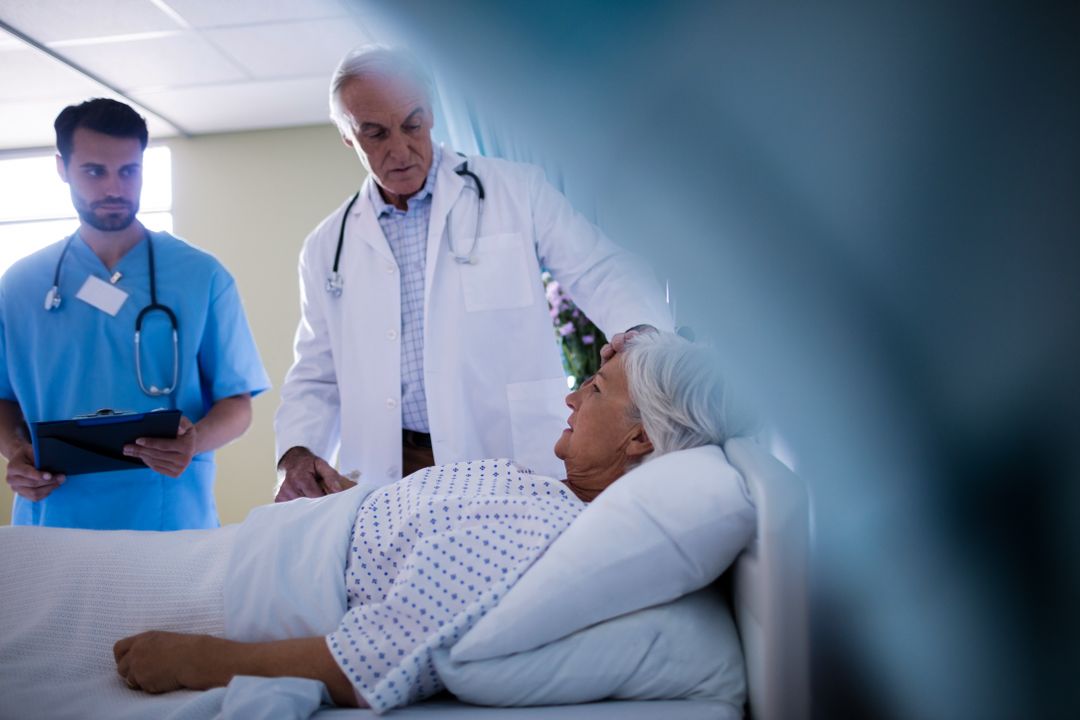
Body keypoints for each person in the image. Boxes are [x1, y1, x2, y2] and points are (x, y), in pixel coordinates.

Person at [114, 332, 739, 711]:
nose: (573, 396)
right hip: (259, 546)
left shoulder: (539, 537)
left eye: (597, 389)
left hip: (219, 585)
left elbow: (370, 663)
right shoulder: (550, 498)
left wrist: (194, 660)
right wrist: (355, 504)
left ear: (640, 439)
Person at [273, 45, 673, 501]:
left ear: (432, 114)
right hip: (391, 468)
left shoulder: (515, 190)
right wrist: (296, 452)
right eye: (375, 134)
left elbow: (600, 270)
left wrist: (642, 335)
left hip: (504, 450)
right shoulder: (327, 247)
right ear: (348, 136)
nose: (400, 149)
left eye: (412, 124)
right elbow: (315, 374)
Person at [0, 98, 270, 529]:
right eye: (94, 171)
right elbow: (3, 401)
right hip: (53, 518)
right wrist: (17, 454)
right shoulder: (20, 285)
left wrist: (193, 441)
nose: (114, 188)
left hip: (167, 519)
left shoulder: (202, 276)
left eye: (129, 171)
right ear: (61, 167)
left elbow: (237, 403)